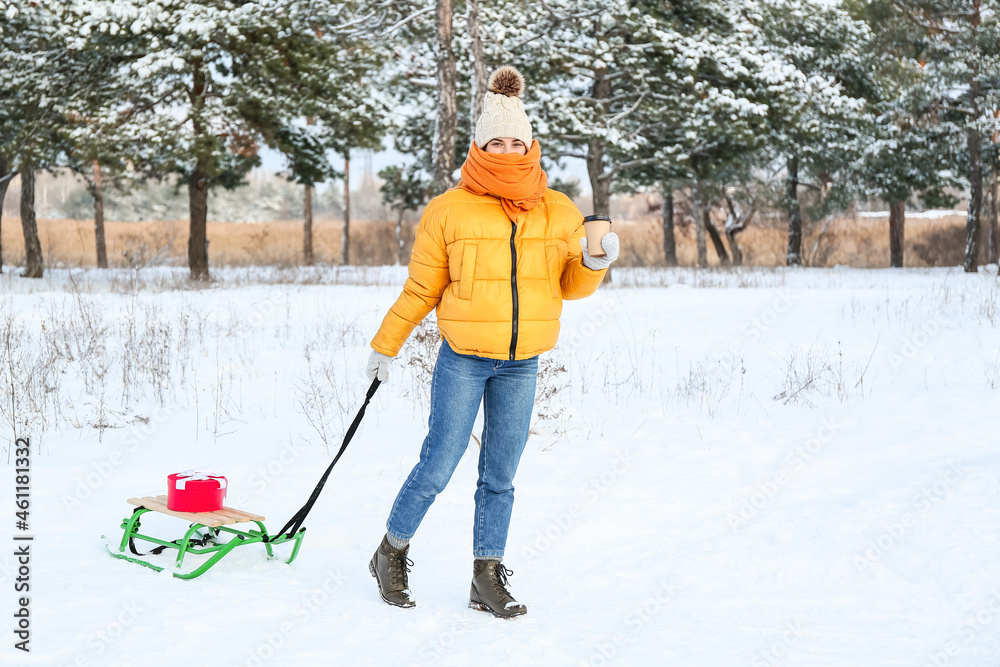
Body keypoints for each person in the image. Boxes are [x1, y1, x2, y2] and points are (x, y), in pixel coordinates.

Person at [366, 65, 619, 618]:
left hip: (522, 363)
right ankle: (391, 551)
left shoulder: (559, 210)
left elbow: (570, 288)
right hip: (463, 359)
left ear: (530, 144)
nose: (507, 151)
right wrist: (385, 346)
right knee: (438, 464)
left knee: (500, 477)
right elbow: (421, 289)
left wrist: (595, 261)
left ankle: (486, 575)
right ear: (480, 146)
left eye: (516, 141)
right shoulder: (448, 210)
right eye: (495, 142)